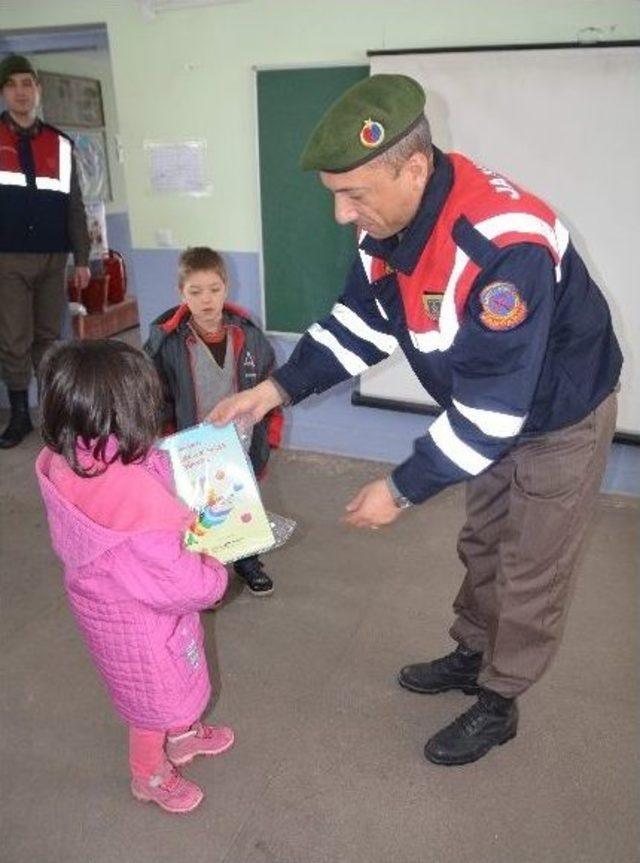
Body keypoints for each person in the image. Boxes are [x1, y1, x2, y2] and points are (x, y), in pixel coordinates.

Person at [211, 74, 623, 767]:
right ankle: (471, 653)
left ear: (415, 168)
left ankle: (500, 699)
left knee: (530, 566)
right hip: (487, 409)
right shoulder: (388, 227)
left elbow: (494, 415)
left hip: (559, 419)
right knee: (484, 538)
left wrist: (399, 489)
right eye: (335, 195)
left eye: (354, 195)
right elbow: (357, 325)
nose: (343, 216)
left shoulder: (500, 249)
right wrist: (274, 390)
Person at [35, 340, 234, 813]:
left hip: (121, 608)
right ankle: (150, 773)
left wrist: (180, 456)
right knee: (151, 704)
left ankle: (183, 733)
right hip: (142, 625)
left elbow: (141, 462)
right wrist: (216, 569)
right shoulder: (138, 521)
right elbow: (185, 583)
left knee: (178, 674)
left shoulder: (78, 453)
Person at [144, 246, 283, 597]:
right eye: (195, 292)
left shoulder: (248, 335)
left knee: (242, 499)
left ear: (226, 287)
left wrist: (272, 434)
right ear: (181, 293)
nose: (206, 300)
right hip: (192, 444)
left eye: (214, 290)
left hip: (241, 441)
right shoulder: (166, 342)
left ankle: (247, 560)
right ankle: (205, 576)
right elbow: (154, 396)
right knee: (198, 511)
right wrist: (164, 440)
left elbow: (271, 386)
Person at [0, 54, 91, 449]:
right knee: (14, 339)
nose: (21, 92)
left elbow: (75, 206)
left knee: (49, 339)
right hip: (8, 259)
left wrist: (83, 258)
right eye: (13, 84)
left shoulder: (60, 143)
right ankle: (20, 414)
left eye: (28, 83)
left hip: (54, 258)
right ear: (4, 91)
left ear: (37, 89)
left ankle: (53, 414)